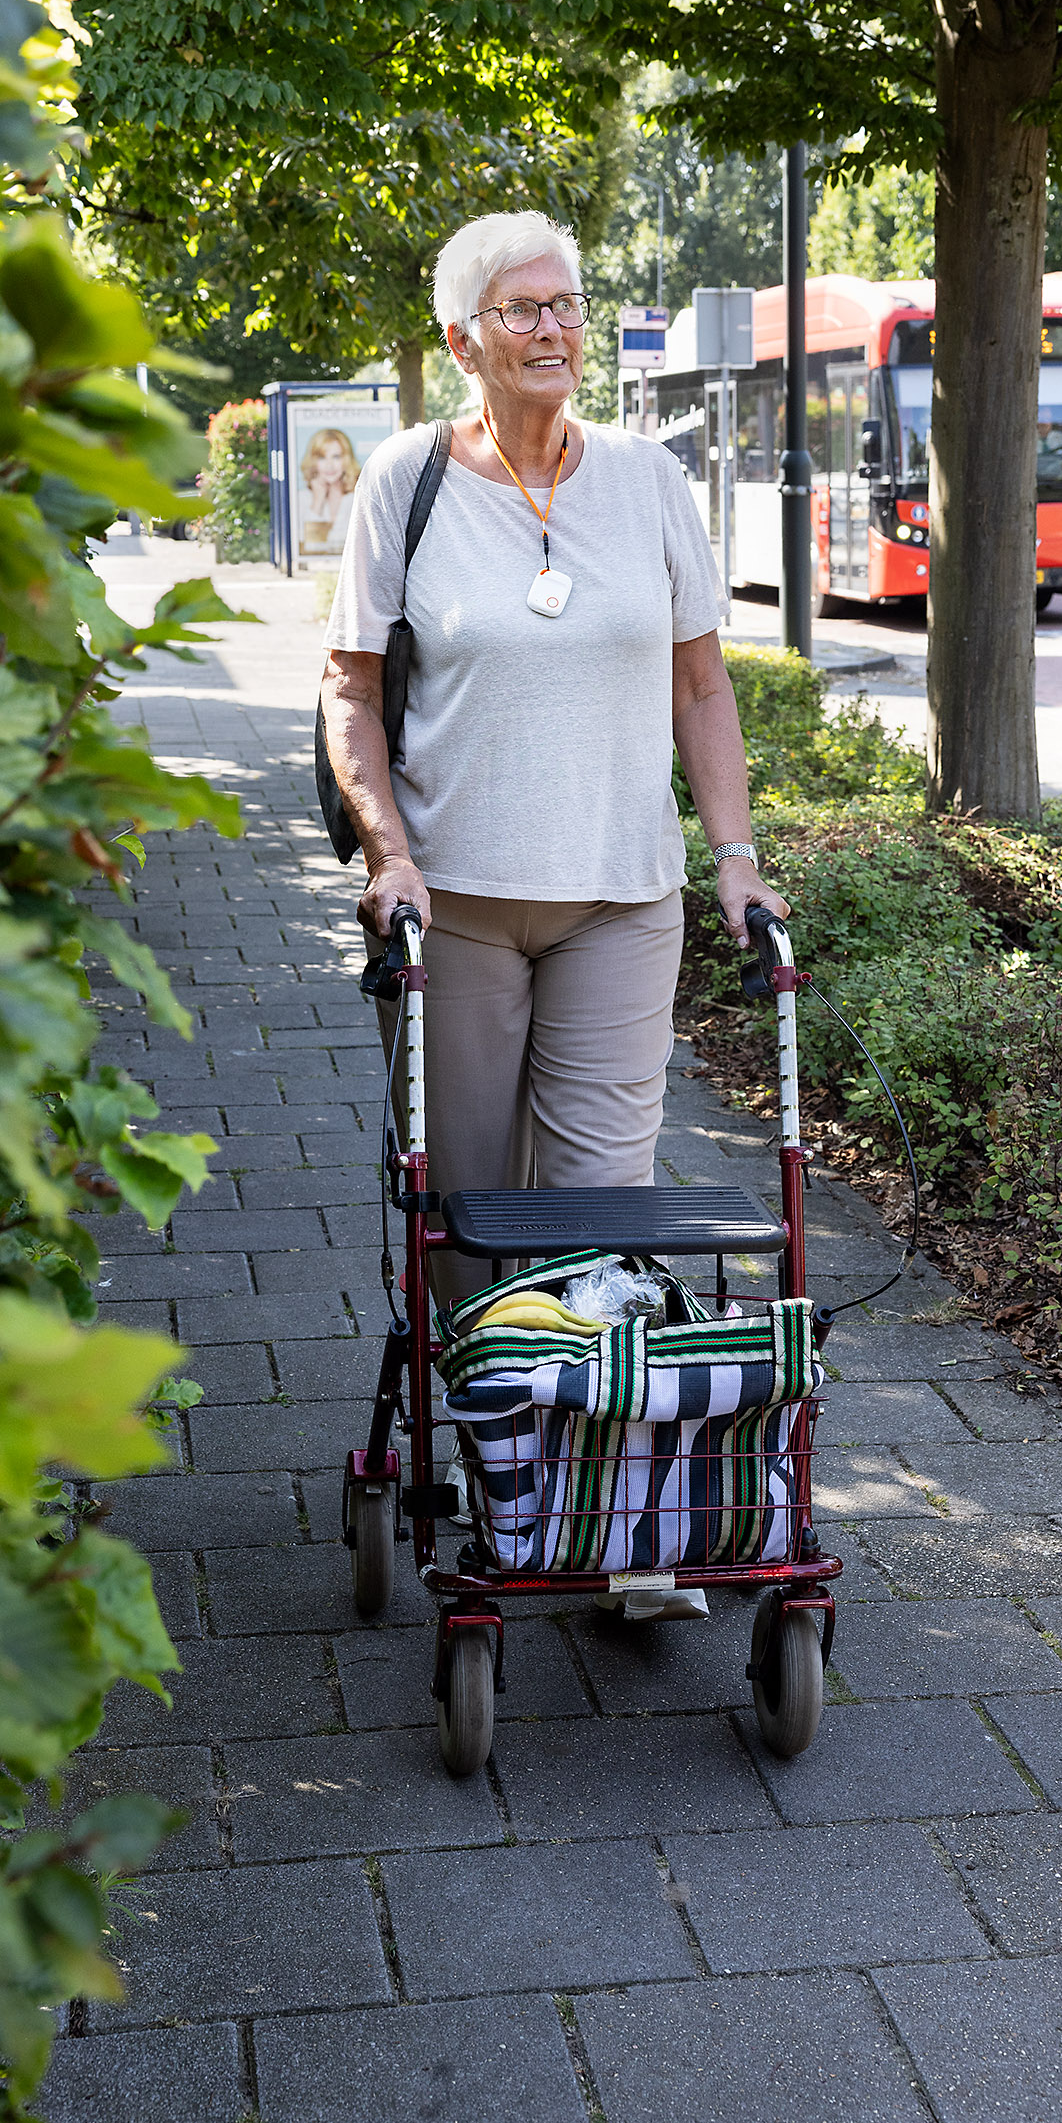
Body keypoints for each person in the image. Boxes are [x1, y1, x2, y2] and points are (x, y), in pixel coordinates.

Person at [319, 209, 790, 1307]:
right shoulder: (404, 481)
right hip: (457, 903)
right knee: (466, 1219)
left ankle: (575, 1455)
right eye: (520, 308)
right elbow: (349, 688)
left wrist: (734, 854)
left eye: (566, 305)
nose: (551, 330)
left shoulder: (646, 481)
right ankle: (496, 1442)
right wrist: (387, 853)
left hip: (620, 901)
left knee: (597, 1214)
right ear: (460, 341)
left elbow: (700, 684)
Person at [300, 428, 360, 552]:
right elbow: (310, 548)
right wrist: (317, 502)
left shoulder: (357, 498)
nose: (329, 465)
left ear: (346, 460)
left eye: (336, 457)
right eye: (322, 458)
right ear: (313, 461)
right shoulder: (303, 498)